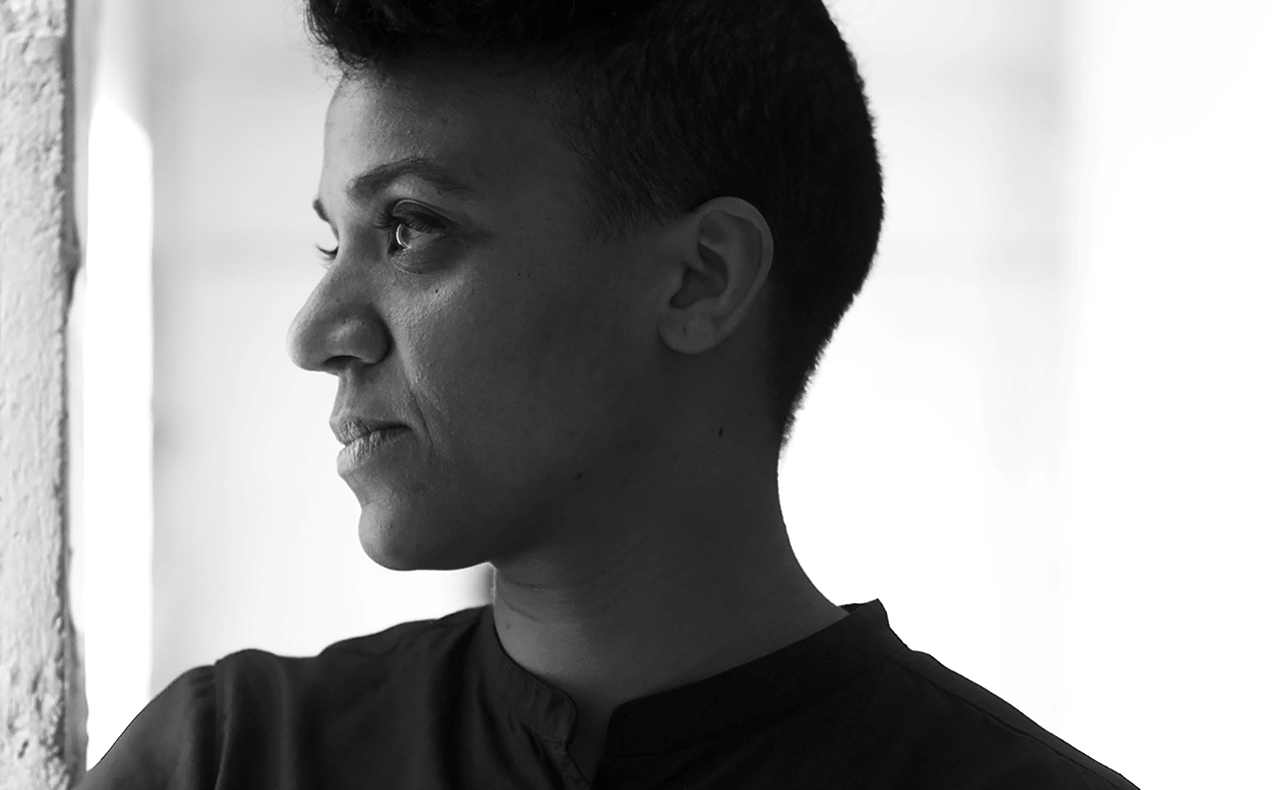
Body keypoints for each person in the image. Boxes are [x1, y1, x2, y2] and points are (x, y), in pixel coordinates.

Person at [79, 0, 1139, 787]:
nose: (317, 334)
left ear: (700, 279)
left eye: (409, 228)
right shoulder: (234, 759)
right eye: (333, 241)